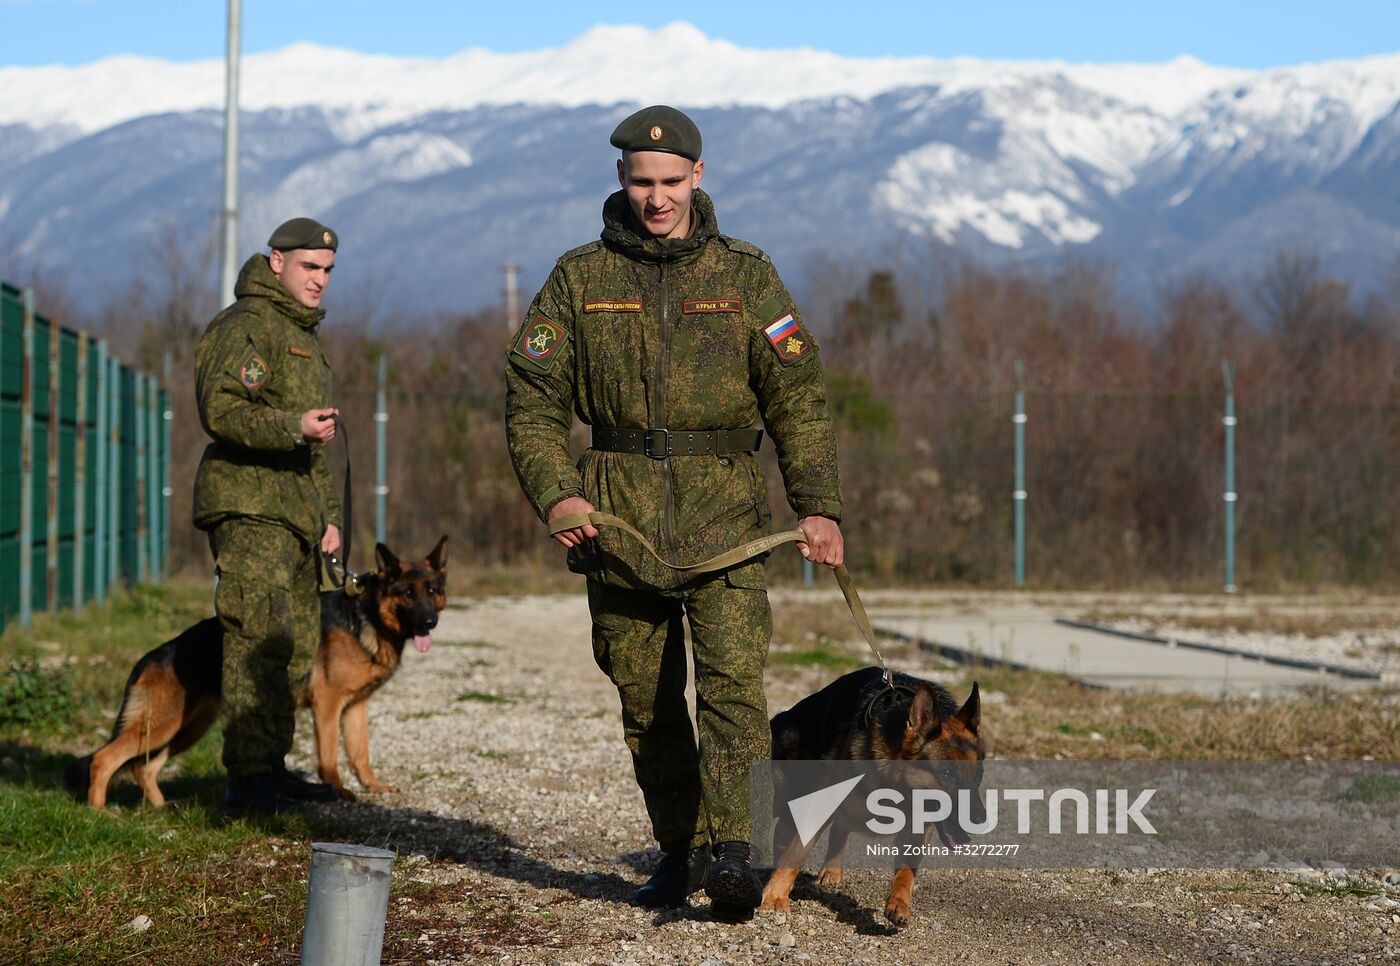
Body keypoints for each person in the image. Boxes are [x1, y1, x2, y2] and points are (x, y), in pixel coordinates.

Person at [505, 106, 845, 918]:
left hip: (727, 519)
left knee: (732, 691)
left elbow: (797, 398)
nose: (656, 198)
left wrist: (819, 507)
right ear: (621, 179)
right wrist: (557, 491)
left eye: (669, 181)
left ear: (698, 174)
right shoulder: (579, 279)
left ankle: (735, 853)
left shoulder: (747, 276)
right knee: (646, 702)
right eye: (640, 182)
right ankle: (680, 850)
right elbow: (532, 399)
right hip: (618, 524)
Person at [193, 217, 345, 813]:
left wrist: (329, 516)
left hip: (295, 512)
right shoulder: (248, 325)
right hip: (250, 505)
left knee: (294, 644)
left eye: (327, 270)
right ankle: (249, 779)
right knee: (257, 637)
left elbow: (316, 443)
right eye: (309, 266)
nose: (320, 279)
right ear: (276, 261)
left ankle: (271, 767)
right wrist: (291, 425)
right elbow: (221, 408)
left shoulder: (300, 333)